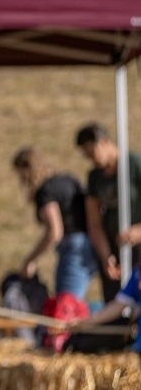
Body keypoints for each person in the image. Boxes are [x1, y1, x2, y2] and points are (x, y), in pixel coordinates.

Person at [11, 146, 98, 301]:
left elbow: (55, 232)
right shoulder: (69, 179)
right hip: (92, 244)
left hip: (74, 250)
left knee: (65, 308)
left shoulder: (46, 190)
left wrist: (30, 260)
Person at [75, 122, 141, 299]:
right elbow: (94, 220)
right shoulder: (95, 176)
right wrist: (106, 256)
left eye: (91, 152)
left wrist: (139, 231)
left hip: (138, 250)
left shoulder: (134, 165)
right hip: (114, 249)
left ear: (104, 142)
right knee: (115, 301)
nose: (90, 159)